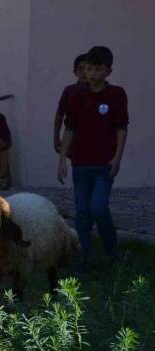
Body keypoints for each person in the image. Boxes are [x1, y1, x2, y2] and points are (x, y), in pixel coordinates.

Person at [57, 46, 128, 272]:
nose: (92, 74)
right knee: (82, 212)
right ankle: (83, 255)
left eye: (98, 69)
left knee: (98, 207)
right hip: (80, 162)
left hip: (104, 163)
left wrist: (117, 158)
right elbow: (70, 129)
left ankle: (112, 249)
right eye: (88, 68)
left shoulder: (116, 94)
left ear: (108, 71)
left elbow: (121, 128)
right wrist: (62, 159)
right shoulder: (77, 95)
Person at [54, 53, 88, 156]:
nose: (84, 73)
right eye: (80, 69)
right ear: (75, 72)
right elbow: (60, 115)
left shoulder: (99, 92)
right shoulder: (70, 91)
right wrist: (56, 138)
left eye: (88, 69)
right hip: (74, 142)